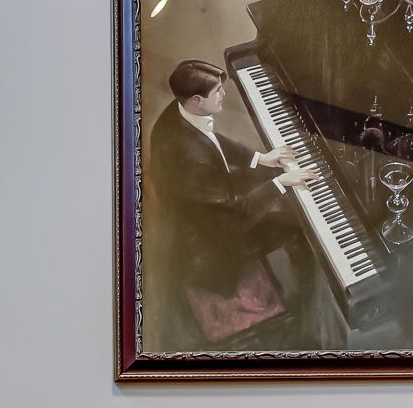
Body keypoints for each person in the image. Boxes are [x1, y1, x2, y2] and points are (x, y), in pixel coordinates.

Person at [146, 59, 347, 350]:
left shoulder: (180, 114)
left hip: (206, 201)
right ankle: (315, 326)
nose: (223, 95)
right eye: (217, 92)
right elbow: (232, 211)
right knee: (299, 227)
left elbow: (212, 139)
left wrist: (260, 159)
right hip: (212, 240)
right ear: (197, 100)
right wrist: (281, 183)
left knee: (276, 191)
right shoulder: (192, 160)